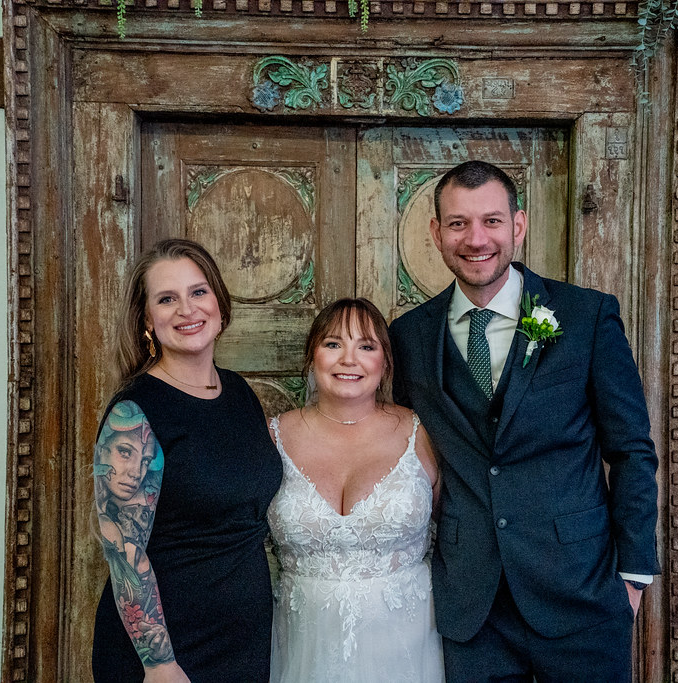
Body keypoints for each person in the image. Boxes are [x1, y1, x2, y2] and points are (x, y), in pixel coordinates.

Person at [389, 161, 660, 682]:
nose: (475, 239)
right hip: (471, 606)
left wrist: (633, 575)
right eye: (458, 223)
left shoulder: (587, 316)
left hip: (582, 593)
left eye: (491, 221)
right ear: (436, 233)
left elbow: (630, 449)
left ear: (518, 225)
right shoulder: (410, 335)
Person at [91, 238, 282, 683]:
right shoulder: (134, 413)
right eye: (166, 299)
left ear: (218, 301)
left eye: (198, 292)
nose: (187, 310)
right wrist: (159, 664)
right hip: (168, 652)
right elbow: (124, 552)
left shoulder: (238, 392)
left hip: (242, 641)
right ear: (146, 319)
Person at [267, 298, 444, 682]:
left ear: (385, 362)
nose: (349, 359)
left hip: (407, 648)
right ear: (312, 354)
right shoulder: (272, 437)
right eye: (333, 344)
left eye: (366, 346)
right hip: (302, 648)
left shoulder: (422, 432)